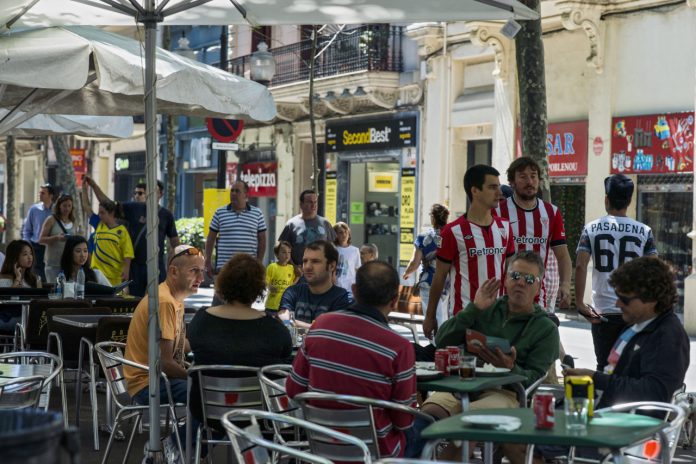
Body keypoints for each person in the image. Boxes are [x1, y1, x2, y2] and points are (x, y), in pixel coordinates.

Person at [535, 257, 689, 464]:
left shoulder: (667, 336)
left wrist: (595, 378)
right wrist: (587, 380)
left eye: (624, 299)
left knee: (531, 445)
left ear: (651, 299)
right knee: (524, 434)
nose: (617, 304)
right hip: (601, 416)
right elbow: (615, 377)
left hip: (622, 429)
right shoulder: (637, 325)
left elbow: (655, 393)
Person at [419, 251, 559, 461]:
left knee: (469, 423)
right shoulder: (486, 307)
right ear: (505, 279)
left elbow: (535, 379)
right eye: (515, 276)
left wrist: (511, 367)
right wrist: (473, 309)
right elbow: (442, 340)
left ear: (538, 286)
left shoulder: (545, 328)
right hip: (461, 385)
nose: (521, 283)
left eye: (529, 279)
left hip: (507, 394)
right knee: (425, 417)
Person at [286, 261, 418, 459]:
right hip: (377, 454)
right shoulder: (399, 347)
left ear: (354, 291)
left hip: (320, 448)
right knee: (425, 429)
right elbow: (403, 421)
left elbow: (294, 390)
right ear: (394, 300)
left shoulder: (320, 326)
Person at [188, 254, 292, 427]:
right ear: (259, 287)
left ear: (223, 283)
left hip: (208, 412)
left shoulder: (201, 321)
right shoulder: (274, 329)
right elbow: (286, 354)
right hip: (260, 415)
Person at [423, 165, 515, 340]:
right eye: (492, 187)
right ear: (475, 190)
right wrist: (430, 316)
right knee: (464, 366)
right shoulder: (451, 231)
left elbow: (510, 272)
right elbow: (439, 276)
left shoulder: (505, 227)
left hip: (499, 319)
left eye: (498, 186)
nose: (499, 193)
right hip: (464, 318)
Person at [575, 174, 658, 371]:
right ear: (629, 201)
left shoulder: (591, 228)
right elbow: (654, 271)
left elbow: (580, 265)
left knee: (605, 366)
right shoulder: (644, 231)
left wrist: (579, 303)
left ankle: (606, 401)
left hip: (602, 312)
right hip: (634, 310)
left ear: (606, 199)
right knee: (632, 367)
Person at [124, 245, 205, 407]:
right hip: (148, 383)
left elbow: (181, 343)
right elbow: (165, 363)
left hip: (156, 377)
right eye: (194, 271)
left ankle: (195, 432)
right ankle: (182, 434)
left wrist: (208, 349)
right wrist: (196, 376)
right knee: (207, 393)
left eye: (202, 271)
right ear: (174, 272)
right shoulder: (165, 301)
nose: (201, 278)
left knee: (209, 390)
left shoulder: (173, 297)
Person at [495, 157, 572, 310]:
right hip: (502, 297)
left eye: (533, 175)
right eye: (523, 176)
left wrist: (565, 285)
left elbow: (563, 255)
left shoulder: (552, 212)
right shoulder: (497, 211)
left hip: (538, 299)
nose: (529, 181)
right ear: (512, 181)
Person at [84, 177, 180, 296]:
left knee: (158, 298)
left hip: (156, 264)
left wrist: (175, 265)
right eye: (149, 190)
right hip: (136, 266)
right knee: (135, 300)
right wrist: (93, 185)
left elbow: (175, 242)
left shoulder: (166, 215)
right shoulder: (134, 208)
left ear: (160, 194)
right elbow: (108, 204)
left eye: (155, 190)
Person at [279, 240, 353, 328]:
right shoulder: (293, 291)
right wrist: (314, 327)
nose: (307, 267)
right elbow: (283, 317)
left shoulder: (340, 297)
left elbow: (333, 330)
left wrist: (294, 323)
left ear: (332, 266)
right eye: (305, 261)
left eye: (315, 261)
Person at [205, 181, 267, 282]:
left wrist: (258, 263)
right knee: (221, 297)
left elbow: (262, 241)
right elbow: (210, 239)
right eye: (232, 191)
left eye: (237, 191)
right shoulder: (220, 212)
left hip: (248, 268)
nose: (233, 193)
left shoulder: (257, 213)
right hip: (224, 268)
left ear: (245, 195)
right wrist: (207, 261)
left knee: (247, 297)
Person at [403, 203, 450, 330]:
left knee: (432, 317)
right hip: (448, 282)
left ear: (433, 218)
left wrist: (406, 273)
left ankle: (436, 347)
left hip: (429, 282)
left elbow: (414, 263)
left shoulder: (424, 238)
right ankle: (442, 346)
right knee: (444, 317)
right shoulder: (453, 235)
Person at [278, 189, 336, 266]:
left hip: (321, 273)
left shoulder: (325, 223)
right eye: (310, 202)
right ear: (301, 204)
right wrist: (293, 267)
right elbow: (281, 249)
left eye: (315, 202)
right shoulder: (291, 224)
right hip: (299, 274)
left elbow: (333, 248)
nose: (313, 205)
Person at [90, 200, 134, 286]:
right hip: (97, 273)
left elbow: (128, 253)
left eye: (102, 213)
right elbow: (86, 206)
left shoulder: (122, 231)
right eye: (99, 213)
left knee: (113, 298)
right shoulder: (99, 225)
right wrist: (86, 186)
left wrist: (126, 271)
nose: (100, 215)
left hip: (114, 275)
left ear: (111, 213)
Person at [21, 183, 55, 281]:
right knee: (36, 274)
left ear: (50, 195)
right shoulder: (34, 209)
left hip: (51, 247)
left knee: (49, 273)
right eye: (40, 193)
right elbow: (27, 229)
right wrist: (27, 244)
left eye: (43, 193)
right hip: (36, 246)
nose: (40, 195)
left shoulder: (56, 210)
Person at [39, 193, 76, 282]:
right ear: (59, 206)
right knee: (55, 290)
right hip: (53, 264)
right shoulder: (51, 219)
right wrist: (56, 238)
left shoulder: (73, 221)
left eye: (69, 206)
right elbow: (41, 240)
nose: (67, 209)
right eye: (64, 206)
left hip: (69, 263)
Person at [265, 241, 296, 315]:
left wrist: (298, 276)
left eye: (289, 252)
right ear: (277, 254)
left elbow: (292, 285)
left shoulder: (291, 268)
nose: (287, 255)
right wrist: (270, 287)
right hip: (272, 306)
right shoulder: (272, 267)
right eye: (284, 252)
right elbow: (265, 281)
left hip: (285, 306)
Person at [333, 222, 361, 293]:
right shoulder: (333, 249)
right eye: (341, 232)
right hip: (335, 285)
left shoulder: (355, 250)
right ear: (336, 235)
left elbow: (357, 269)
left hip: (350, 287)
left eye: (346, 232)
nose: (344, 235)